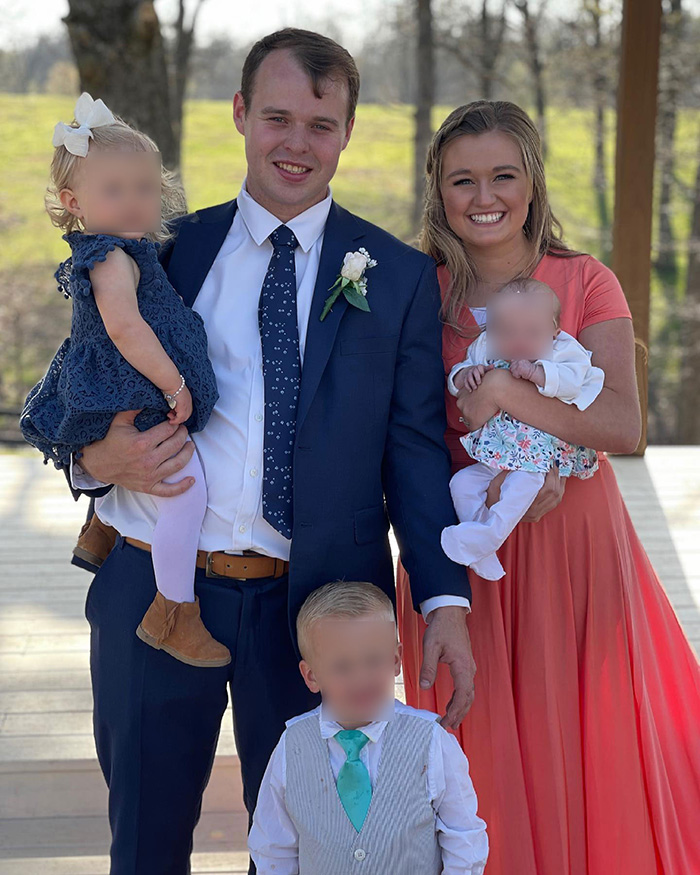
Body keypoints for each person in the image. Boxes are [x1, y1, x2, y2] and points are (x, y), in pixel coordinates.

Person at [62, 29, 475, 874]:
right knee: (143, 844)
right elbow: (75, 387)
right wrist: (96, 461)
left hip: (317, 608)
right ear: (242, 113)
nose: (298, 143)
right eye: (278, 117)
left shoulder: (397, 276)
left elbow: (414, 454)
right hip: (154, 585)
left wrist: (443, 600)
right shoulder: (161, 249)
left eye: (321, 125)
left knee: (308, 852)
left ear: (348, 131)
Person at [396, 99, 700, 874]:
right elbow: (405, 436)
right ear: (438, 189)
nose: (484, 196)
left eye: (503, 175)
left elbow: (621, 422)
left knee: (589, 741)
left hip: (576, 550)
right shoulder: (414, 291)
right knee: (480, 757)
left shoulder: (585, 279)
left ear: (532, 182)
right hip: (466, 555)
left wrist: (509, 398)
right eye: (462, 179)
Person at [20, 92, 228, 668]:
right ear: (74, 202)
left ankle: (101, 529)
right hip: (133, 385)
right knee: (187, 493)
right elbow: (126, 329)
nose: (134, 202)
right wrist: (175, 385)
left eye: (144, 188)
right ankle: (174, 611)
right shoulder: (111, 257)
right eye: (114, 191)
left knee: (156, 473)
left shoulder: (125, 249)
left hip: (118, 383)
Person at [248, 581, 489, 875]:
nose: (361, 679)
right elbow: (273, 848)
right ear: (311, 676)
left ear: (395, 660)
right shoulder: (292, 744)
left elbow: (464, 838)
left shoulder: (431, 741)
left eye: (373, 661)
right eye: (342, 667)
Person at [442, 277, 603, 579]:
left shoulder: (563, 349)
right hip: (499, 448)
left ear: (554, 330)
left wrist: (538, 373)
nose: (518, 340)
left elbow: (575, 381)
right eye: (505, 331)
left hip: (539, 455)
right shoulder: (486, 346)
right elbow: (457, 376)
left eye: (532, 332)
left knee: (517, 490)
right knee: (461, 484)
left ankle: (491, 534)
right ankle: (482, 545)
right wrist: (465, 375)